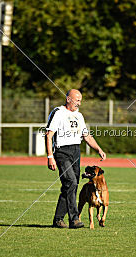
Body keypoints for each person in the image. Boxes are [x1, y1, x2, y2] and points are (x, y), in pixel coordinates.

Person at [45, 89, 106, 229]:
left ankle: (58, 219)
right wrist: (50, 157)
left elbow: (87, 136)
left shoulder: (79, 116)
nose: (79, 103)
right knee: (71, 182)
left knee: (71, 185)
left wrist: (99, 149)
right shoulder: (58, 112)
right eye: (77, 100)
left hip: (76, 151)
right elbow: (48, 135)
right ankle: (74, 219)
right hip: (62, 152)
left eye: (80, 100)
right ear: (68, 99)